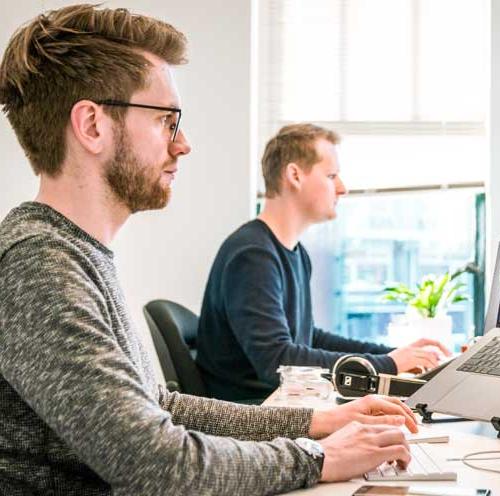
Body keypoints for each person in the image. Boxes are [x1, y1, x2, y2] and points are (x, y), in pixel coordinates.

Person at [0, 5, 417, 495]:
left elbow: (159, 406)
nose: (184, 144)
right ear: (92, 125)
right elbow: (155, 462)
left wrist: (319, 421)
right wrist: (320, 457)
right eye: (166, 121)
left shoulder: (74, 253)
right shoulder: (38, 265)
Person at [197, 123, 451, 402]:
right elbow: (277, 363)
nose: (342, 189)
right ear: (294, 175)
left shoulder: (293, 253)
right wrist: (388, 365)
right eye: (331, 176)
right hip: (254, 414)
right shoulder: (252, 255)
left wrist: (391, 354)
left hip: (282, 405)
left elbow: (308, 338)